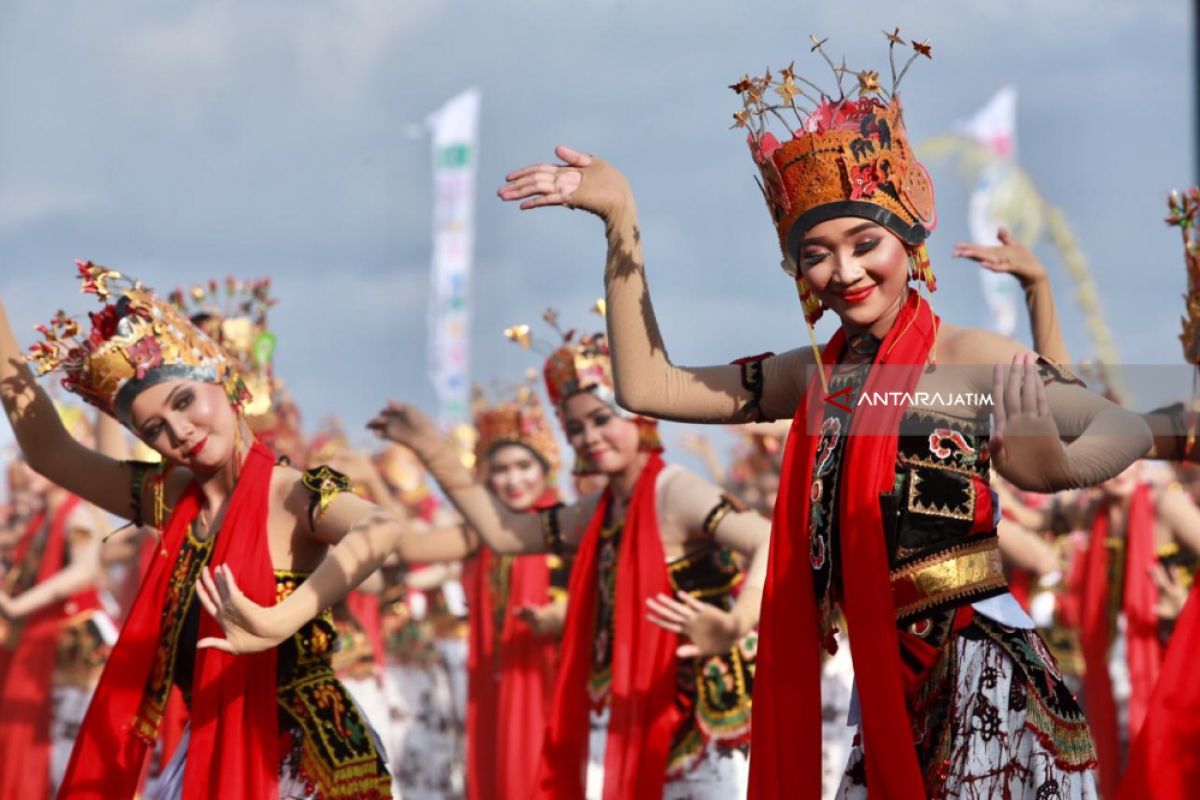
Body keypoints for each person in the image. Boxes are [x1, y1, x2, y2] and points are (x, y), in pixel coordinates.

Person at [496, 32, 1153, 798]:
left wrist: (1057, 466)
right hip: (883, 687)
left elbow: (1124, 428)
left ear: (908, 237)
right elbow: (651, 389)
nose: (844, 272)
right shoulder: (812, 378)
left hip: (982, 679)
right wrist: (620, 221)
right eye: (816, 254)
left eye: (864, 243)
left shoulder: (969, 355)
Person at [0, 261, 430, 798]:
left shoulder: (290, 492)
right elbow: (50, 451)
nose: (179, 431)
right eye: (154, 428)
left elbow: (382, 527)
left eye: (184, 402)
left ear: (223, 376)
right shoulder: (172, 498)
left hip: (303, 765)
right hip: (207, 746)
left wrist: (280, 620)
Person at [370, 325, 770, 800]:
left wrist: (736, 621)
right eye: (575, 427)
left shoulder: (674, 490)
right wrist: (431, 449)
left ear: (638, 416)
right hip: (628, 710)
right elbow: (504, 533)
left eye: (602, 419)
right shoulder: (598, 510)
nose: (589, 437)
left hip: (697, 721)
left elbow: (768, 538)